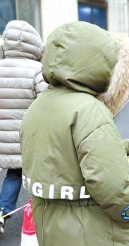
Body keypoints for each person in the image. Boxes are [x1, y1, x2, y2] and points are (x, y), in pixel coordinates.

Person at [20, 22, 129, 246]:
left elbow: (61, 154)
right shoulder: (90, 109)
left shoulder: (40, 104)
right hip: (86, 227)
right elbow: (110, 184)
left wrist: (123, 146)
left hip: (48, 220)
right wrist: (128, 215)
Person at [0, 21, 47, 234]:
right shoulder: (38, 70)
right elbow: (47, 103)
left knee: (13, 173)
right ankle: (41, 214)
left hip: (2, 136)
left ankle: (2, 211)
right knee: (35, 173)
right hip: (27, 137)